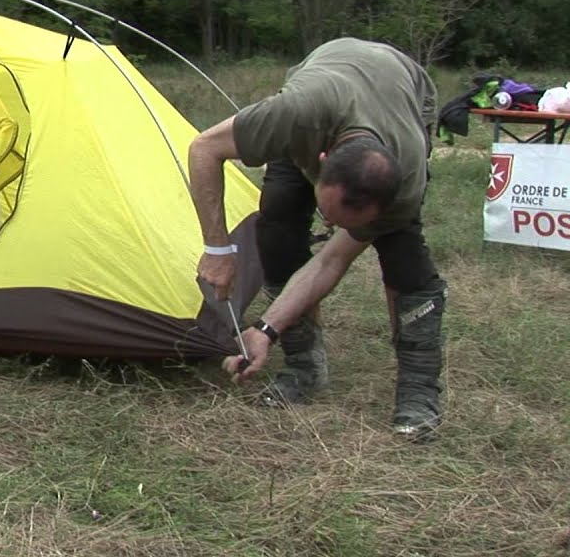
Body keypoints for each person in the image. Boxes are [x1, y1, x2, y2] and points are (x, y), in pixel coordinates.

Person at [186, 37, 447, 442]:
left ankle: (418, 390)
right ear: (319, 162)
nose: (327, 225)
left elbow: (330, 260)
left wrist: (265, 327)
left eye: (339, 222)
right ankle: (304, 365)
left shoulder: (405, 176)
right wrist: (218, 249)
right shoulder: (293, 116)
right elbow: (204, 148)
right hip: (326, 79)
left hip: (403, 87)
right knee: (277, 224)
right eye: (327, 212)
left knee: (403, 256)